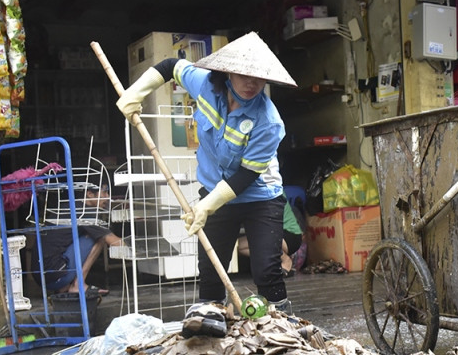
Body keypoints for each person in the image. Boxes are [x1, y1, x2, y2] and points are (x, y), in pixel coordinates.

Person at [115, 32, 298, 311]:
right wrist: (136, 93)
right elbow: (170, 67)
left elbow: (247, 175)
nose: (251, 83)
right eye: (244, 74)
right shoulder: (205, 85)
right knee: (211, 271)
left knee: (266, 269)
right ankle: (211, 322)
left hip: (260, 196)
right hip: (214, 187)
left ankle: (281, 327)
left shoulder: (269, 121)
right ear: (228, 72)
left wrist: (205, 206)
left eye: (259, 77)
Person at [38, 223, 121, 297]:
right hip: (57, 277)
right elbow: (114, 242)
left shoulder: (64, 211)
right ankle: (78, 285)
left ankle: (63, 287)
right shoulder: (85, 213)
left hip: (42, 279)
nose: (106, 204)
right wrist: (132, 245)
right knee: (100, 237)